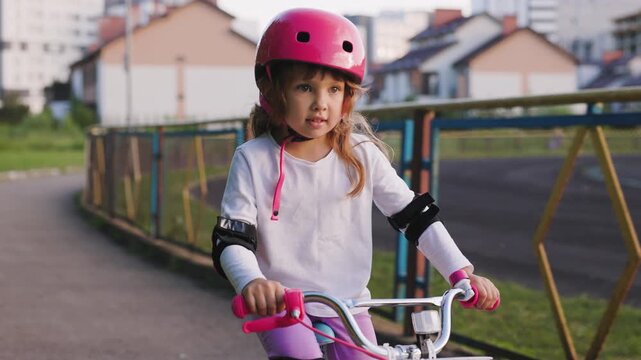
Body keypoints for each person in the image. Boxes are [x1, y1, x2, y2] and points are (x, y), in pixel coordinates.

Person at [212, 8, 500, 360]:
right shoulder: (253, 159)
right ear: (273, 90)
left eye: (334, 89)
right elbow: (232, 239)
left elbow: (415, 217)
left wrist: (461, 274)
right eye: (305, 87)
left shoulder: (360, 154)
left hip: (350, 305)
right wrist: (253, 283)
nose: (321, 103)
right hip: (284, 306)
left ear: (347, 96)